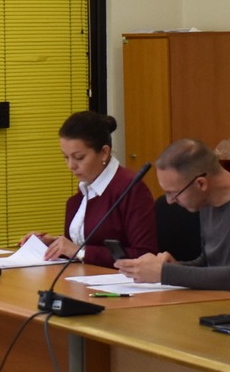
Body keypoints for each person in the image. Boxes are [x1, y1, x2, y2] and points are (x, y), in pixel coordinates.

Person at [118, 138, 230, 300]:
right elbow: (209, 262)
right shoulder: (207, 201)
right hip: (224, 303)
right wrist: (176, 266)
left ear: (201, 183)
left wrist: (165, 273)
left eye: (173, 193)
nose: (169, 201)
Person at [19, 110, 156, 266]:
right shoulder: (84, 190)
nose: (71, 166)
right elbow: (85, 245)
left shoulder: (131, 188)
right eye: (66, 157)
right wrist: (53, 243)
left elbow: (144, 255)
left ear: (104, 153)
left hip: (118, 280)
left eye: (79, 157)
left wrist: (80, 252)